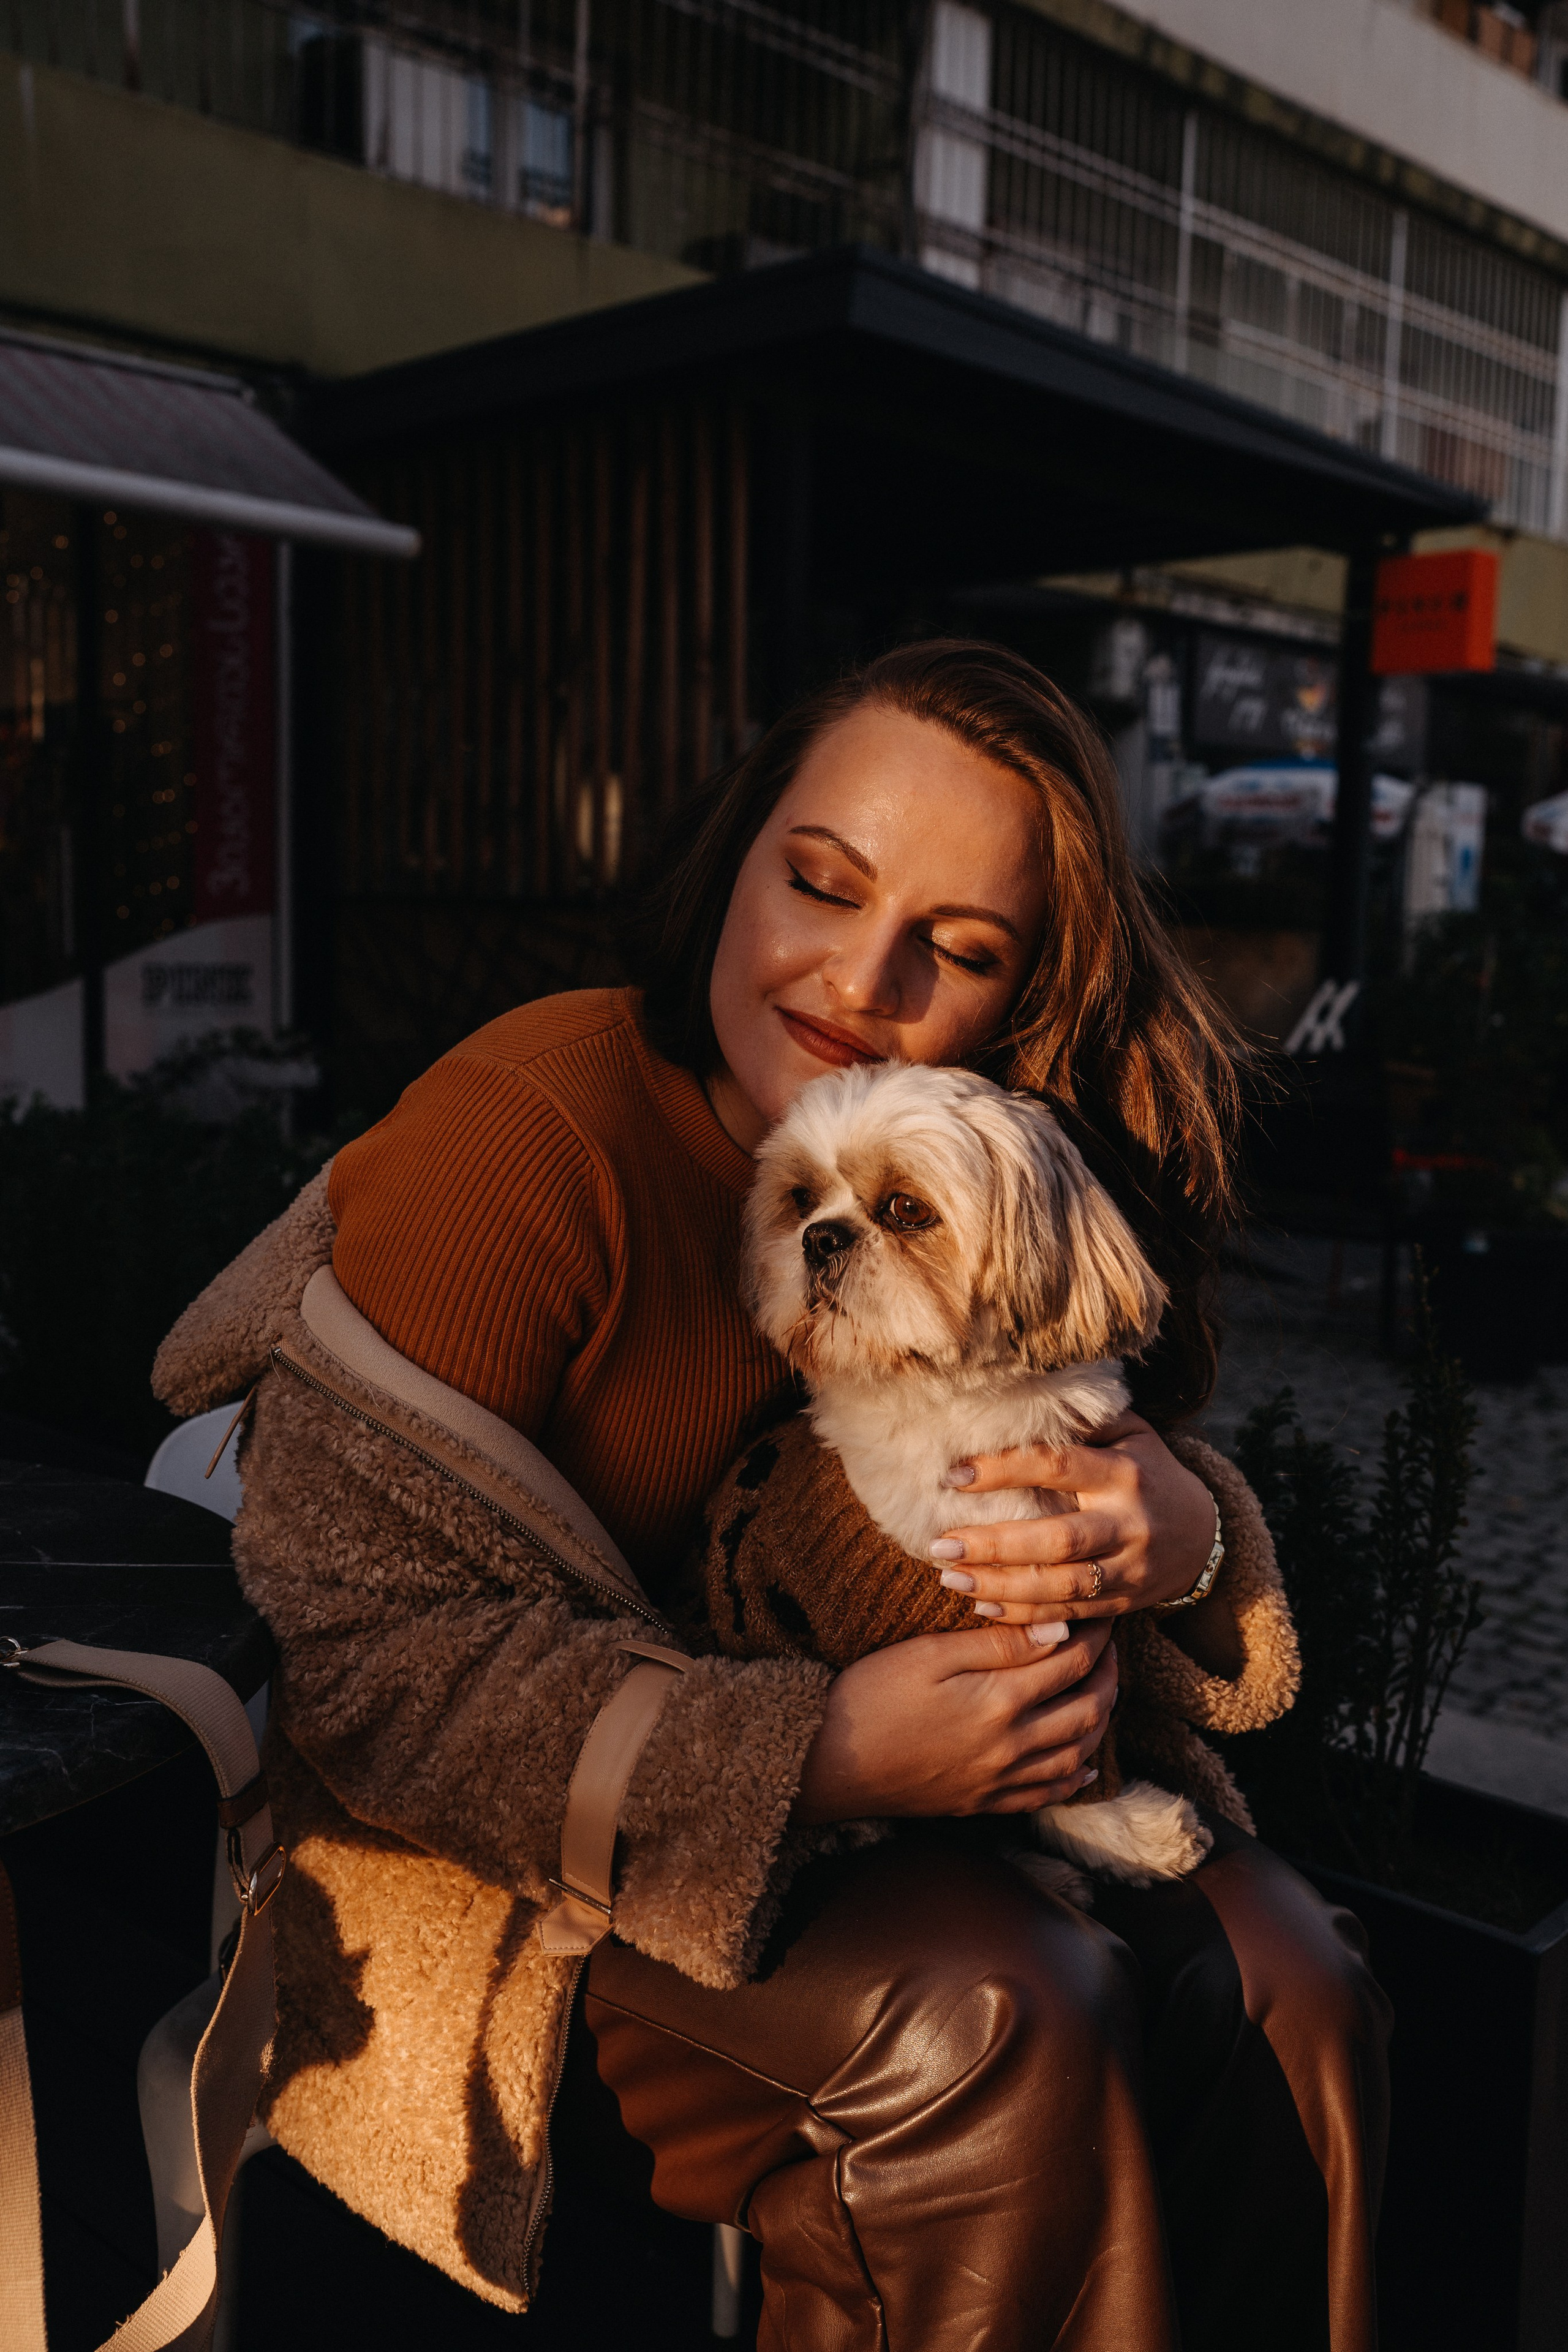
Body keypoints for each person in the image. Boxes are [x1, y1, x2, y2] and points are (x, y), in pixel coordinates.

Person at [154, 639, 1389, 2351]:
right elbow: (365, 1673)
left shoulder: (1002, 1167)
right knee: (993, 2015)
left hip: (922, 1828)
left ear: (1016, 1008)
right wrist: (822, 1750)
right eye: (821, 881)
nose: (861, 978)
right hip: (508, 1895)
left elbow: (1062, 1496)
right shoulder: (526, 1130)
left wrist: (1185, 1539)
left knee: (1290, 1979)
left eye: (956, 951)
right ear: (739, 850)